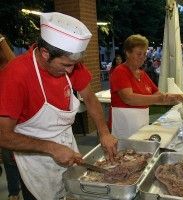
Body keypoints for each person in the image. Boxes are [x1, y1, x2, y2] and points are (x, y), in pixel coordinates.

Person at [0, 12, 118, 200]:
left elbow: (89, 97)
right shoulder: (15, 76)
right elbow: (2, 135)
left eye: (74, 64)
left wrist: (103, 131)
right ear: (45, 53)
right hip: (35, 160)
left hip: (66, 146)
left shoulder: (69, 65)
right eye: (66, 64)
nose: (71, 70)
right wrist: (51, 148)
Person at [109, 34, 183, 139]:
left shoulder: (143, 74)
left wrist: (177, 97)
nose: (142, 58)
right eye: (139, 54)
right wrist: (161, 98)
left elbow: (158, 95)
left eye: (144, 54)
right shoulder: (120, 72)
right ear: (128, 53)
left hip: (141, 126)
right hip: (124, 128)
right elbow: (129, 98)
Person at [0, 33, 22, 200]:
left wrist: (1, 40)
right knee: (8, 158)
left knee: (13, 156)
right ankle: (14, 191)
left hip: (14, 118)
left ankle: (16, 191)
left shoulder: (10, 68)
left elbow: (14, 61)